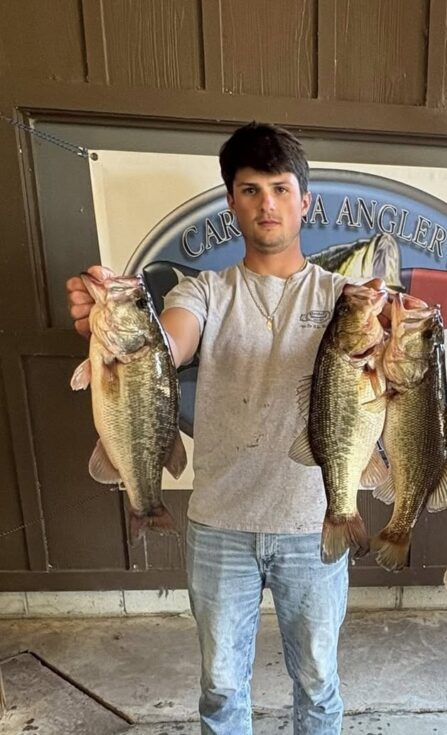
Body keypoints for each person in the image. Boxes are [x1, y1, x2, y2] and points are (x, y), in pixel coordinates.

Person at [67, 123, 353, 735]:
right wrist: (111, 329)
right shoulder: (205, 290)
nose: (267, 204)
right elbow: (167, 343)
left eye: (280, 188)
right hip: (220, 524)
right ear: (232, 204)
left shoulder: (344, 298)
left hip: (315, 524)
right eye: (250, 190)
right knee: (222, 689)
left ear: (307, 200)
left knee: (320, 685)